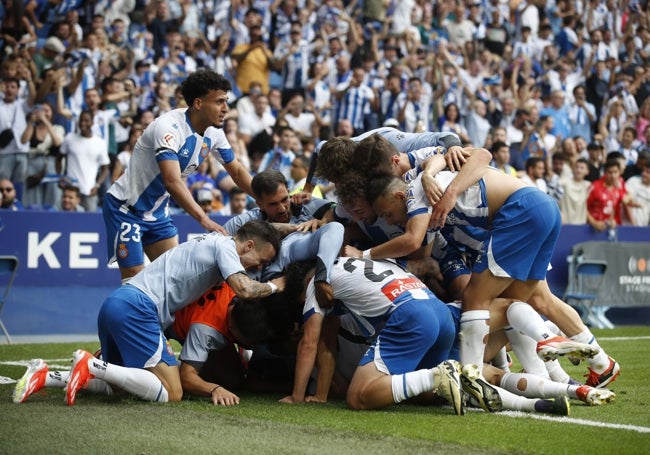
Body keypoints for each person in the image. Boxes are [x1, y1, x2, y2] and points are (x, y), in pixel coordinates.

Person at [13, 220, 284, 406]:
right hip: (139, 308)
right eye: (259, 261)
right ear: (248, 245)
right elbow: (245, 290)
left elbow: (259, 229)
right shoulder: (226, 248)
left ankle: (46, 376)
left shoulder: (214, 240)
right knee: (173, 392)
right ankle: (91, 364)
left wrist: (296, 226)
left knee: (121, 385)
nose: (254, 268)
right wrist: (275, 285)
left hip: (117, 302)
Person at [102, 69, 253, 282]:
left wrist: (266, 200)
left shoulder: (214, 132)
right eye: (219, 102)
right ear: (199, 103)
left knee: (174, 279)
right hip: (126, 209)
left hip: (157, 213)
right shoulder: (169, 127)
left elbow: (237, 171)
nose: (226, 109)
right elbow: (172, 181)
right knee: (135, 281)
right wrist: (204, 219)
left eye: (226, 101)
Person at [278, 258, 463, 414]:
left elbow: (310, 343)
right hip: (440, 311)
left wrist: (297, 397)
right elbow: (328, 339)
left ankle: (440, 375)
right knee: (426, 395)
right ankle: (476, 378)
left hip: (413, 315)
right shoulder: (358, 260)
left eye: (304, 303)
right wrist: (321, 395)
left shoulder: (315, 283)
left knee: (358, 397)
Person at [57, 110, 110, 212]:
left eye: (86, 121)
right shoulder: (69, 138)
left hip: (89, 191)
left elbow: (105, 168)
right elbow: (59, 158)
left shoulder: (100, 143)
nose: (82, 123)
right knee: (67, 222)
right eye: (81, 120)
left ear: (92, 123)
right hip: (71, 190)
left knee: (90, 224)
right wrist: (60, 177)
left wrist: (97, 185)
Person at [587, 158, 638, 230]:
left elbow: (619, 205)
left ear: (619, 173)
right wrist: (594, 222)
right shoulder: (594, 187)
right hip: (591, 229)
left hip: (611, 229)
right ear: (604, 172)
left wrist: (614, 221)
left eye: (615, 172)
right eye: (609, 172)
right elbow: (583, 207)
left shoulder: (619, 187)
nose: (613, 175)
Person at [559, 158, 591, 224]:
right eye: (576, 167)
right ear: (573, 169)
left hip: (581, 226)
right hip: (565, 225)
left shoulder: (588, 185)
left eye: (582, 168)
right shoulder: (563, 182)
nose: (578, 170)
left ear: (587, 171)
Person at [624, 161, 650, 226]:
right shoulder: (633, 181)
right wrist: (633, 224)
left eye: (648, 172)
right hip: (628, 226)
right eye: (643, 171)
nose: (644, 174)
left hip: (643, 227)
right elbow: (626, 203)